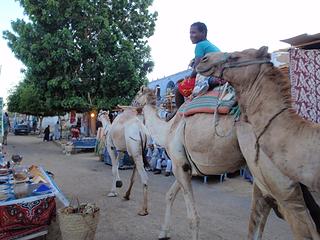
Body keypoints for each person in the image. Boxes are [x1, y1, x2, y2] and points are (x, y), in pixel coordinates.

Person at [166, 22, 221, 121]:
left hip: (210, 76)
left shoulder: (200, 45)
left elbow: (197, 67)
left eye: (194, 33)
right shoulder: (209, 45)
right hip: (217, 73)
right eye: (190, 33)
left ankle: (178, 115)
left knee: (178, 90)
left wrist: (190, 77)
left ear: (203, 33)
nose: (191, 36)